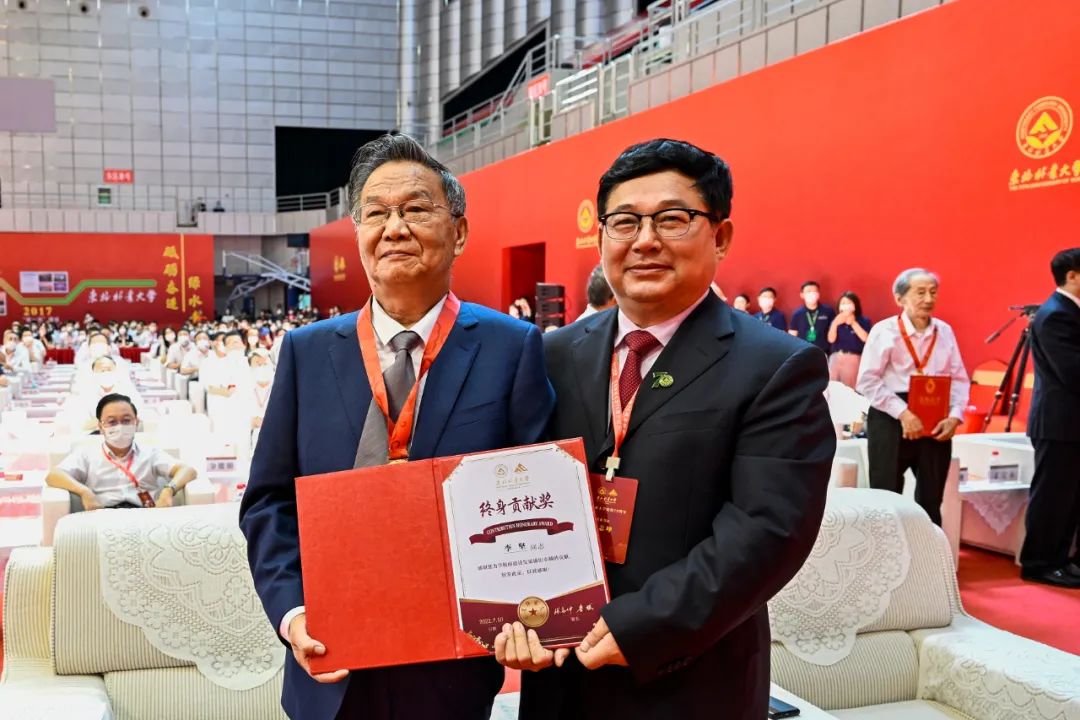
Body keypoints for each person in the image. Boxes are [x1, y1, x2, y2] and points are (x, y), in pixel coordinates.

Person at [502, 138, 834, 719]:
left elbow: (767, 531)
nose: (645, 240)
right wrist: (509, 608)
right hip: (559, 676)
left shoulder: (775, 366)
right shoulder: (551, 354)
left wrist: (641, 626)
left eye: (672, 219)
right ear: (602, 239)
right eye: (624, 222)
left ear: (720, 237)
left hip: (689, 678)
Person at [239, 132, 555, 720]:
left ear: (459, 231)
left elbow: (537, 496)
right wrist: (292, 612)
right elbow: (267, 502)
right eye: (376, 213)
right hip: (329, 664)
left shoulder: (512, 348)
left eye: (415, 209)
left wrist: (534, 611)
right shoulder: (306, 353)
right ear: (358, 232)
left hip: (451, 672)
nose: (394, 228)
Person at [856, 268, 970, 525]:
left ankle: (928, 551)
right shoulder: (884, 331)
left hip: (936, 417)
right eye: (920, 293)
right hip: (890, 417)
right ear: (900, 298)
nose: (928, 299)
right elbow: (867, 380)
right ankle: (886, 551)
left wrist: (954, 416)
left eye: (933, 292)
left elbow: (959, 379)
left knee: (931, 500)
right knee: (885, 499)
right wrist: (903, 413)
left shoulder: (944, 331)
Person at [1020, 248, 1080, 589]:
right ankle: (1039, 563)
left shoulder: (1070, 311)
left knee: (1070, 499)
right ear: (1071, 275)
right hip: (1059, 422)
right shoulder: (1056, 314)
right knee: (1053, 497)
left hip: (1071, 423)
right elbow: (1072, 371)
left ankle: (1060, 561)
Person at [46, 393, 197, 510]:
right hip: (104, 515)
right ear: (100, 426)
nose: (119, 426)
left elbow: (188, 470)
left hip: (145, 515)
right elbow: (54, 475)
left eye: (126, 420)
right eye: (111, 422)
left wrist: (168, 490)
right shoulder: (87, 454)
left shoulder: (150, 452)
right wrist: (84, 492)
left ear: (136, 422)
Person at [827, 291, 872, 388]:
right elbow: (831, 339)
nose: (846, 305)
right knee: (831, 388)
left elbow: (866, 338)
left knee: (850, 389)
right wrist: (835, 323)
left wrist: (853, 323)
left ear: (855, 305)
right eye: (843, 303)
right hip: (836, 357)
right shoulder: (836, 320)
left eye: (849, 303)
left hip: (853, 358)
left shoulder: (864, 320)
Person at [788, 280, 834, 353]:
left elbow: (834, 331)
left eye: (814, 291)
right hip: (803, 351)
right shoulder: (797, 313)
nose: (812, 293)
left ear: (818, 294)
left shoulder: (828, 311)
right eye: (809, 291)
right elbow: (792, 335)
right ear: (802, 295)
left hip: (823, 351)